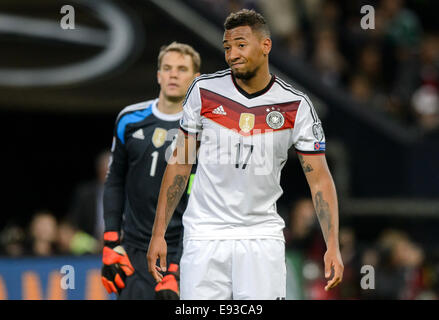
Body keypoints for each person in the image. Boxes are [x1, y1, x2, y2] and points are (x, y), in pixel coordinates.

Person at [147, 9, 343, 300]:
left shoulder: (296, 106)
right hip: (205, 233)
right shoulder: (204, 92)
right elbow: (180, 164)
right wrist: (158, 233)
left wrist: (332, 244)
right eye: (227, 47)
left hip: (261, 237)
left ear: (266, 46)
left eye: (240, 44)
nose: (232, 54)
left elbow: (320, 180)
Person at [101, 42, 201, 299]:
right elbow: (114, 180)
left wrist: (176, 268)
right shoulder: (130, 119)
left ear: (195, 79)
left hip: (185, 249)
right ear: (158, 75)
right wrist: (112, 241)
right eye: (167, 68)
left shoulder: (205, 130)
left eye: (181, 69)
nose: (173, 74)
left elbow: (203, 199)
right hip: (135, 249)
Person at [68, 151, 111, 243]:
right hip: (91, 245)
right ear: (100, 171)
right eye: (106, 171)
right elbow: (74, 224)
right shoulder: (85, 193)